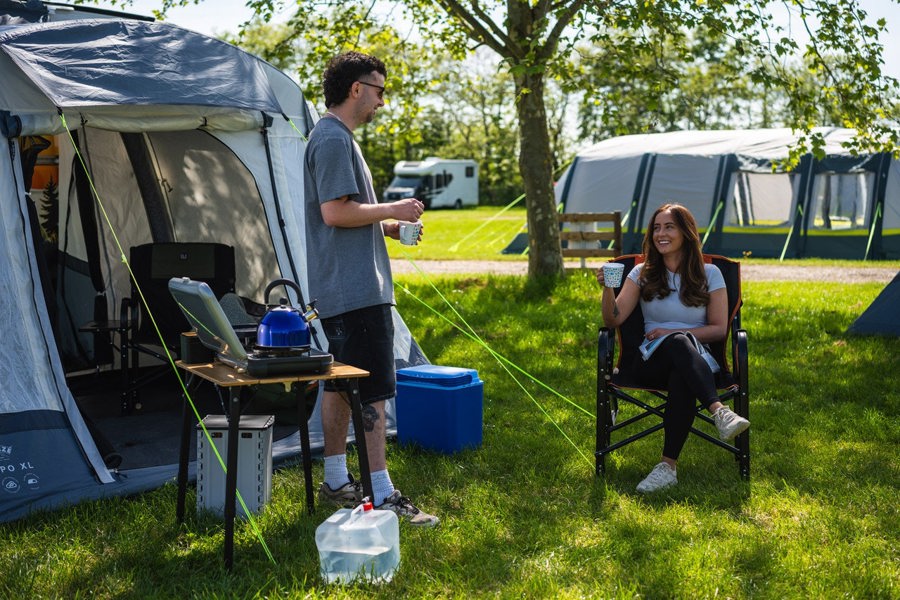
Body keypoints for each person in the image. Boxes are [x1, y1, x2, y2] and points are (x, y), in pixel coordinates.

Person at [303, 51, 438, 526]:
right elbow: (335, 213)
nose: (383, 101)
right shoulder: (334, 139)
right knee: (374, 393)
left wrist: (386, 227)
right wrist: (393, 208)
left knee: (339, 386)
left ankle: (337, 479)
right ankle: (381, 493)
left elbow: (346, 215)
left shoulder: (333, 137)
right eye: (380, 91)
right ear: (357, 88)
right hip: (356, 290)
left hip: (342, 287)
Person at [597, 203, 750, 493]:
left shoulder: (711, 274)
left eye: (669, 227)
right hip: (648, 361)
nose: (660, 233)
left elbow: (718, 330)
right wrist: (608, 288)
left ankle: (667, 468)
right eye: (656, 227)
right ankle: (719, 411)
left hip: (698, 363)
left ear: (685, 232)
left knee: (682, 368)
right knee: (678, 343)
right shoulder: (641, 272)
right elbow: (612, 318)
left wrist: (673, 331)